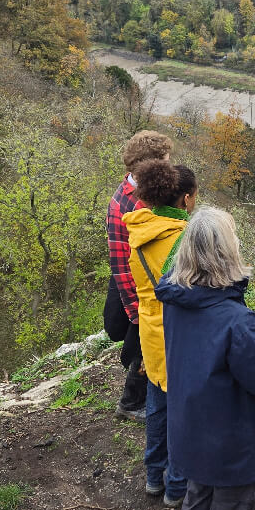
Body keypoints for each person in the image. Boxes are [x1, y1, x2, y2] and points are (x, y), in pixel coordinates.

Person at [155, 207, 255, 510]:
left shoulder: (176, 301)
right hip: (233, 446)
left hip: (191, 433)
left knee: (197, 501)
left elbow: (211, 349)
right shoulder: (237, 322)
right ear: (227, 253)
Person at [124, 160, 197, 507]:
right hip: (182, 331)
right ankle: (178, 486)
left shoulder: (138, 230)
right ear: (185, 198)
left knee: (156, 404)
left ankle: (155, 476)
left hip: (152, 330)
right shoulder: (183, 237)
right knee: (184, 411)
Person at [105, 130, 173, 420]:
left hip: (147, 282)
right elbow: (121, 265)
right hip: (139, 289)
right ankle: (131, 403)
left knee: (148, 346)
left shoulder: (140, 194)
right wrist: (136, 311)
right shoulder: (125, 205)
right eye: (165, 162)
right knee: (143, 348)